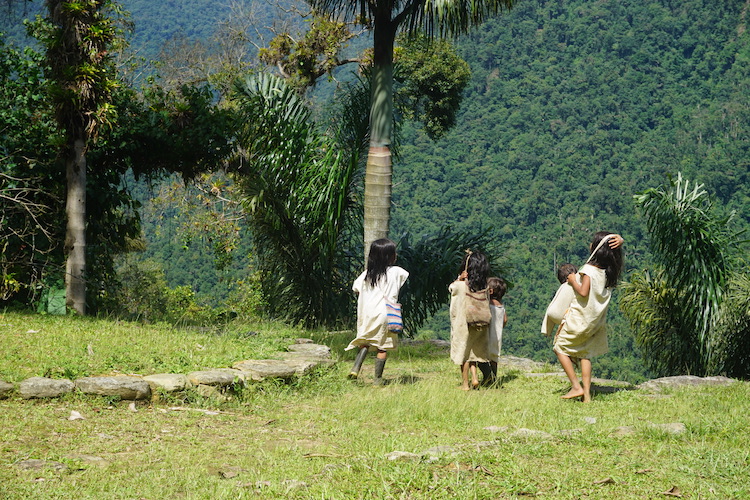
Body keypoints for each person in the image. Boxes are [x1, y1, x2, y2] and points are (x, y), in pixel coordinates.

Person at [554, 232, 624, 402]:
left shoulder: (588, 270)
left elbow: (583, 292)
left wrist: (572, 280)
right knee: (584, 354)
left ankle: (576, 386)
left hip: (579, 319)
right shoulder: (609, 272)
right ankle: (587, 396)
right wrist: (619, 240)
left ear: (596, 249)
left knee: (559, 347)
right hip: (595, 322)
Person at [346, 238, 409, 385]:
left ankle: (356, 368)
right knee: (382, 346)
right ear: (390, 256)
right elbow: (405, 276)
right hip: (386, 313)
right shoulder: (396, 272)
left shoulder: (367, 274)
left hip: (367, 313)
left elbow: (355, 289)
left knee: (366, 341)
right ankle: (378, 380)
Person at [449, 250, 491, 390]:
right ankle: (475, 378)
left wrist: (459, 278)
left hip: (463, 323)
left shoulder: (460, 286)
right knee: (474, 351)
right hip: (480, 322)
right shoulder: (485, 288)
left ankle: (465, 384)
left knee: (464, 353)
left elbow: (451, 288)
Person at [478, 277, 508, 386]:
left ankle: (487, 376)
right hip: (497, 337)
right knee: (494, 359)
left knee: (480, 359)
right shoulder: (501, 306)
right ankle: (493, 378)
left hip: (486, 336)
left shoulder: (487, 304)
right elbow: (505, 320)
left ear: (490, 291)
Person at [540, 263, 578, 338]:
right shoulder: (571, 286)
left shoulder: (562, 288)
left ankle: (547, 331)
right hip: (563, 317)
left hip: (551, 313)